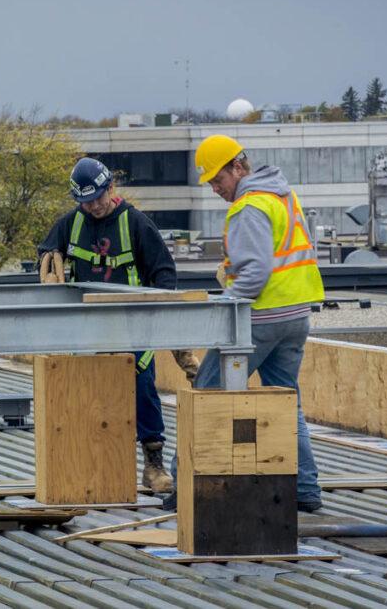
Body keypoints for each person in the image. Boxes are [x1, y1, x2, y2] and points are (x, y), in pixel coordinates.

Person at [165, 134, 325, 513]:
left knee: (204, 395)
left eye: (218, 180)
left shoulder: (248, 207)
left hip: (260, 319)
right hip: (295, 316)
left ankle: (184, 486)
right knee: (286, 401)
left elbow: (255, 273)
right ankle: (305, 490)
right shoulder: (283, 196)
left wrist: (225, 304)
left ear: (238, 167)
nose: (216, 189)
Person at [38, 157, 177, 492]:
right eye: (87, 201)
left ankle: (153, 464)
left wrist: (157, 315)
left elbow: (164, 272)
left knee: (142, 390)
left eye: (99, 198)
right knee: (85, 396)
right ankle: (88, 467)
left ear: (110, 189)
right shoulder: (70, 225)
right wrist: (47, 264)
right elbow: (46, 254)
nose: (95, 206)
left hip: (131, 326)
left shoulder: (136, 224)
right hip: (88, 328)